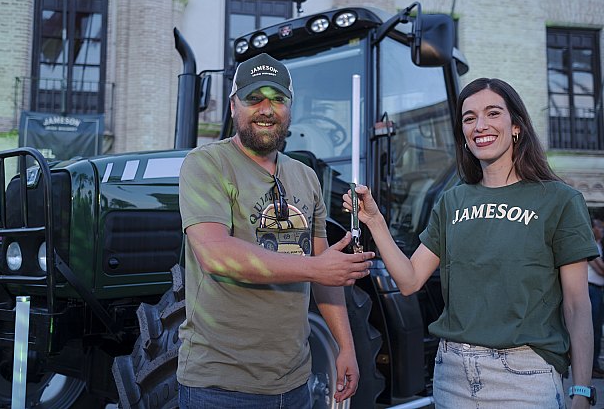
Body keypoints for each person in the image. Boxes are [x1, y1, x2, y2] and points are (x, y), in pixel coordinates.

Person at [344, 78, 599, 408]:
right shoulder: (451, 201)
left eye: (493, 113)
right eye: (469, 118)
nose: (480, 126)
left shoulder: (560, 200)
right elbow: (409, 281)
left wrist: (582, 389)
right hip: (452, 375)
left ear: (517, 126)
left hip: (525, 378)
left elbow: (578, 306)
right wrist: (375, 221)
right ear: (463, 133)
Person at [176, 53, 375, 408]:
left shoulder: (306, 176)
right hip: (220, 387)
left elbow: (324, 273)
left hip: (294, 384)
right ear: (234, 105)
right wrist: (316, 267)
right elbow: (215, 254)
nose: (267, 109)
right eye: (255, 98)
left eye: (278, 99)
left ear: (290, 108)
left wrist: (346, 347)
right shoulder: (206, 164)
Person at [589, 217, 604, 378]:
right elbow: (600, 269)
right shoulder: (590, 245)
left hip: (598, 290)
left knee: (597, 330)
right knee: (591, 329)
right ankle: (591, 367)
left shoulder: (599, 245)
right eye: (599, 226)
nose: (601, 229)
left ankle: (595, 365)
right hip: (590, 290)